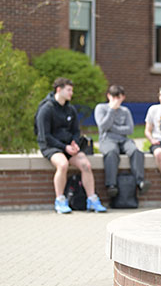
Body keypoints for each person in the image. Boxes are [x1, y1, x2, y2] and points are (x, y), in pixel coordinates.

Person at [36, 77, 106, 214]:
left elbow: (75, 131)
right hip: (51, 146)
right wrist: (64, 148)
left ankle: (92, 200)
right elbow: (45, 136)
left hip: (68, 146)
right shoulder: (46, 109)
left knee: (86, 165)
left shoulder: (70, 109)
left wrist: (74, 142)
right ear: (58, 90)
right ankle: (60, 200)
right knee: (63, 165)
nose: (71, 93)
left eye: (71, 90)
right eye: (68, 90)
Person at [94, 84, 151, 199]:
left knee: (135, 151)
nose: (116, 100)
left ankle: (140, 182)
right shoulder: (101, 108)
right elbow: (103, 126)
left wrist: (113, 128)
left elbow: (129, 129)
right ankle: (111, 185)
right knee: (112, 153)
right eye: (114, 97)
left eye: (118, 97)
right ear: (108, 96)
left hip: (124, 140)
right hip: (107, 140)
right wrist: (111, 110)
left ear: (123, 98)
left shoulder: (125, 111)